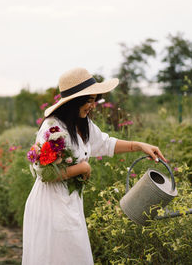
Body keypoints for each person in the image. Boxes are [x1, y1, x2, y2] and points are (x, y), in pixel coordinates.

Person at [22, 67, 167, 265]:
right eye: (88, 100)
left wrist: (140, 146)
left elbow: (106, 143)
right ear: (73, 101)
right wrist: (83, 168)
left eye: (94, 100)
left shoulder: (83, 124)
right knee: (56, 257)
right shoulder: (53, 128)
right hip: (50, 205)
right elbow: (44, 174)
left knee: (74, 255)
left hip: (70, 202)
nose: (93, 105)